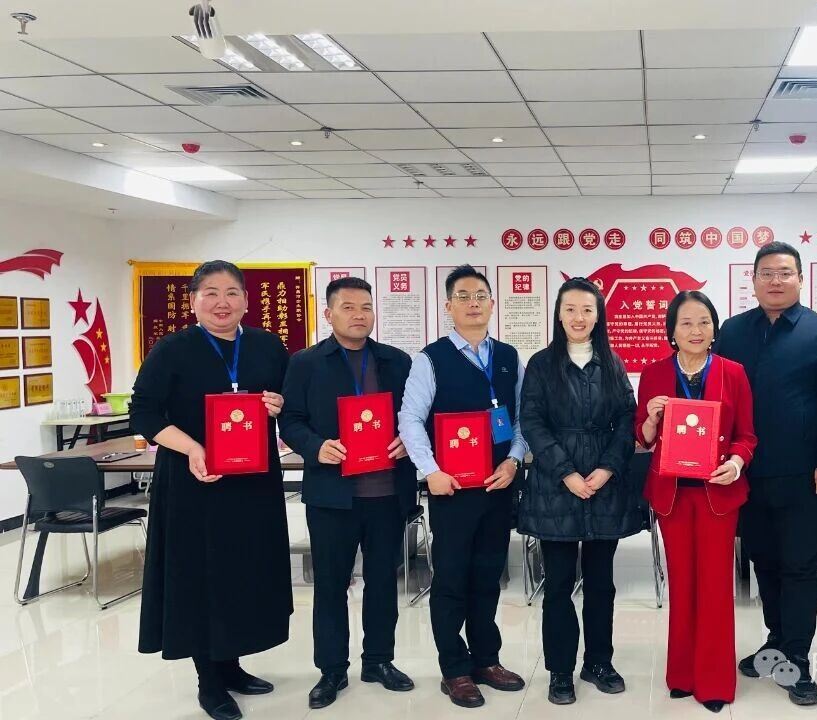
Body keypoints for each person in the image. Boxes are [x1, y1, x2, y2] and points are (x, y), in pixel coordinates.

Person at [131, 261, 291, 720]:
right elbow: (144, 413)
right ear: (193, 300)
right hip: (194, 483)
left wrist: (278, 404)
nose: (223, 302)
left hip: (252, 485)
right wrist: (192, 448)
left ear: (246, 300)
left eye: (232, 292)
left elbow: (290, 402)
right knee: (201, 576)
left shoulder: (266, 345)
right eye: (211, 293)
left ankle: (232, 665)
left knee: (242, 572)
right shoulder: (172, 349)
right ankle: (209, 681)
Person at [715, 241, 817, 706]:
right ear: (753, 280)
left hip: (803, 474)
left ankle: (797, 658)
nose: (775, 281)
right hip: (746, 472)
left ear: (799, 278)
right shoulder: (733, 331)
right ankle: (775, 641)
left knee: (800, 567)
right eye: (767, 273)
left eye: (784, 273)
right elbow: (717, 395)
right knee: (764, 562)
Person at [278, 276, 417, 709]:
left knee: (383, 582)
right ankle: (331, 669)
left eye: (366, 307)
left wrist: (408, 439)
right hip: (332, 495)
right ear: (329, 314)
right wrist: (316, 446)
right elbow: (291, 420)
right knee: (330, 585)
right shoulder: (306, 363)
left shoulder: (397, 361)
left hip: (386, 494)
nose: (359, 315)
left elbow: (417, 415)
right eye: (349, 307)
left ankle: (379, 661)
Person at [398, 264, 529, 708]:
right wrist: (430, 470)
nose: (473, 303)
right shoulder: (430, 359)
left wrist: (513, 460)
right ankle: (454, 669)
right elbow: (410, 419)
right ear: (449, 306)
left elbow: (521, 418)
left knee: (488, 576)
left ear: (492, 304)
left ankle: (486, 660)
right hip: (451, 489)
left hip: (497, 486)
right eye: (464, 296)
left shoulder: (508, 356)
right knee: (452, 578)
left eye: (481, 296)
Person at [517, 278, 640, 705]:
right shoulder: (541, 364)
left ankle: (599, 662)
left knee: (602, 583)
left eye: (587, 309)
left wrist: (607, 468)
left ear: (598, 315)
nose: (579, 317)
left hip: (604, 487)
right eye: (570, 309)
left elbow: (628, 419)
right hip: (556, 489)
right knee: (558, 584)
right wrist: (566, 472)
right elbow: (532, 423)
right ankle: (560, 671)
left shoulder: (612, 362)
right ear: (558, 314)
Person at [636, 290, 757, 713]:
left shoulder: (733, 372)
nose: (695, 330)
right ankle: (683, 675)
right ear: (671, 331)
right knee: (682, 583)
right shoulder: (654, 374)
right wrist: (651, 419)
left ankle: (715, 681)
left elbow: (747, 435)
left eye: (704, 321)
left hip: (717, 495)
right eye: (685, 322)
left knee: (715, 586)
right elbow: (641, 438)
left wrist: (737, 463)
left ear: (714, 328)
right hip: (672, 495)